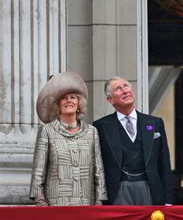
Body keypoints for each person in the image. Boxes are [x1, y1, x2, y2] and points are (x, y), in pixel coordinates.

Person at [30, 72, 107, 206]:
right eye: (64, 98)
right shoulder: (47, 131)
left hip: (86, 204)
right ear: (57, 105)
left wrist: (99, 201)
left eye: (73, 97)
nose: (69, 100)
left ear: (79, 104)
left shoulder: (91, 132)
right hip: (56, 205)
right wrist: (41, 203)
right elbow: (38, 170)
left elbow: (98, 171)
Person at [93, 77, 172, 205]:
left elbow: (164, 163)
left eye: (126, 86)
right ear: (110, 99)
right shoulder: (101, 126)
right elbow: (97, 166)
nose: (125, 91)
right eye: (118, 88)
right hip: (117, 190)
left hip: (150, 188)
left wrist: (168, 200)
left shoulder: (155, 123)